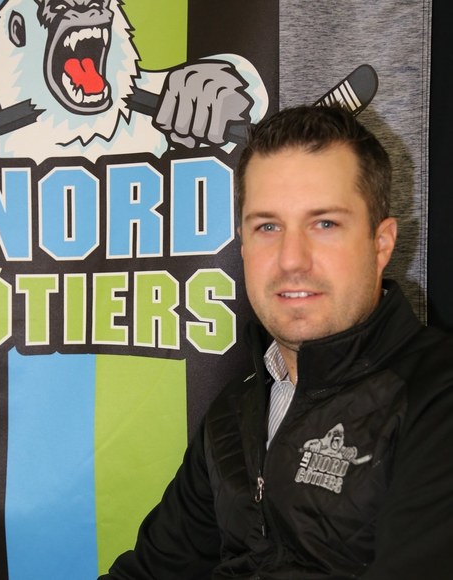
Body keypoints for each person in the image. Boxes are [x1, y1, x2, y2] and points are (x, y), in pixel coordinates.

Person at [100, 105, 453, 579]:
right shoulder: (234, 412)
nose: (291, 259)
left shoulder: (437, 398)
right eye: (268, 226)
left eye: (324, 224)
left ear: (381, 243)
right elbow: (151, 572)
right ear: (243, 246)